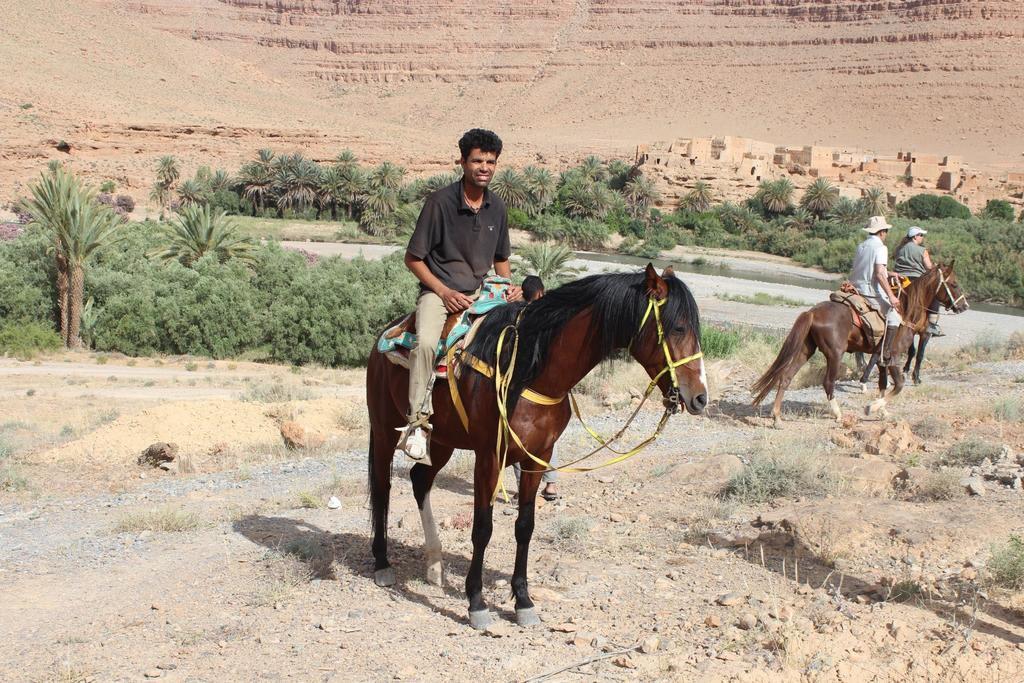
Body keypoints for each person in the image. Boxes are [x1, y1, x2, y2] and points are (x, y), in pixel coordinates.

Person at [399, 129, 522, 464]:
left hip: (484, 292)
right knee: (425, 343)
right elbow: (413, 258)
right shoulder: (439, 203)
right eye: (477, 160)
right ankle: (417, 422)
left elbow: (500, 258)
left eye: (491, 162)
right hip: (440, 292)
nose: (484, 167)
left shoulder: (498, 207)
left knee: (520, 339)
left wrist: (509, 287)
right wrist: (443, 290)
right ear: (463, 162)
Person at [511, 276, 560, 500]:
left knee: (517, 437)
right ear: (541, 292)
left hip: (523, 387)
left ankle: (524, 488)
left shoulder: (518, 314)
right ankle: (551, 485)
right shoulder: (552, 314)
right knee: (547, 438)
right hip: (548, 387)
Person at [850, 215, 902, 366]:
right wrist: (891, 296)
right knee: (894, 318)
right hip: (869, 291)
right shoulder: (881, 247)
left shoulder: (861, 246)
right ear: (881, 232)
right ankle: (884, 355)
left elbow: (869, 268)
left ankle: (860, 357)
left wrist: (890, 273)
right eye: (886, 231)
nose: (886, 235)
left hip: (854, 288)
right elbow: (878, 273)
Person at [894, 226, 944, 337]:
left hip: (899, 280)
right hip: (916, 280)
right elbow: (929, 267)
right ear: (915, 236)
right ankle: (932, 325)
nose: (922, 237)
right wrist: (934, 267)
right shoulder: (922, 250)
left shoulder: (899, 248)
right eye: (921, 235)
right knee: (934, 295)